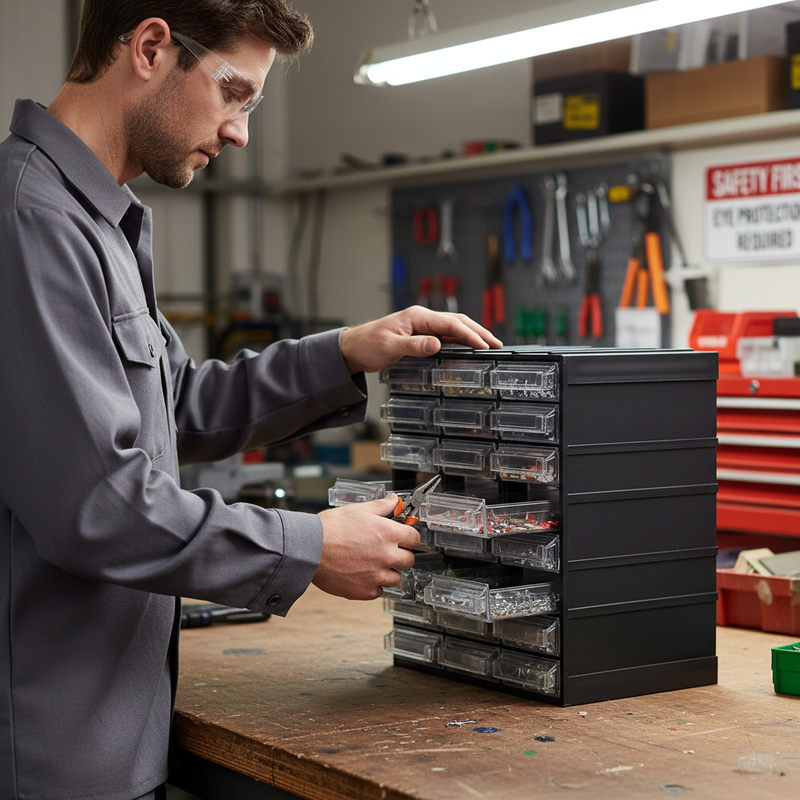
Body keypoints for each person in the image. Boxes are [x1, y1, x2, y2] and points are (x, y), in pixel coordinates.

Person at [0, 1, 502, 798]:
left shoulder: (97, 222)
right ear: (152, 47)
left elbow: (177, 406)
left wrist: (344, 351)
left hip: (120, 735)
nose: (239, 131)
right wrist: (307, 546)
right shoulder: (30, 221)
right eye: (233, 92)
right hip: (56, 763)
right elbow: (97, 507)